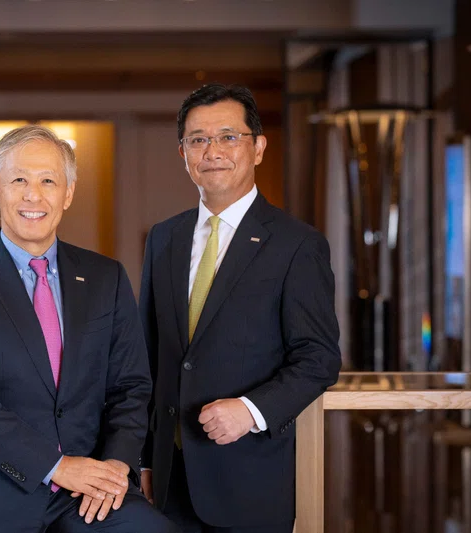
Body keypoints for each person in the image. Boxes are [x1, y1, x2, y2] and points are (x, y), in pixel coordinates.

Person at [0, 125, 178, 533]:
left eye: (48, 180)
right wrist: (57, 467)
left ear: (68, 193)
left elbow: (131, 386)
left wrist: (116, 465)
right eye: (19, 180)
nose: (33, 195)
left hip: (88, 491)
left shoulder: (106, 278)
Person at [138, 84, 341, 532]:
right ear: (183, 153)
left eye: (229, 136)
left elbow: (319, 358)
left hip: (248, 478)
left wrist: (251, 410)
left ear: (259, 148)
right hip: (169, 479)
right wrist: (144, 457)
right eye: (198, 139)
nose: (212, 151)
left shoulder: (297, 244)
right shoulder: (164, 238)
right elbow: (149, 357)